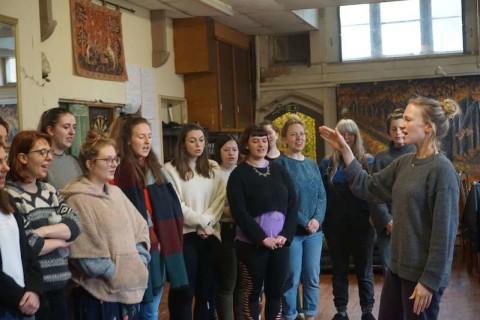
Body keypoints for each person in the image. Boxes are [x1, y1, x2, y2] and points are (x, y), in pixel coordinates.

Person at [319, 97, 460, 320]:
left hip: (421, 278)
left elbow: (445, 234)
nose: (402, 125)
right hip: (397, 270)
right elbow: (369, 187)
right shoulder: (405, 163)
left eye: (407, 119)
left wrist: (429, 281)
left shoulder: (442, 171)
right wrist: (345, 150)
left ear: (428, 127)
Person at [61, 130, 150, 320]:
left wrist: (139, 262)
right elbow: (84, 250)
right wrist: (114, 273)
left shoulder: (116, 193)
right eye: (108, 160)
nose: (114, 164)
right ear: (90, 164)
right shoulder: (78, 200)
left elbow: (140, 229)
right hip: (97, 292)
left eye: (115, 159)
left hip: (129, 284)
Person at [112, 117, 188, 320]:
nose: (147, 141)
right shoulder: (121, 171)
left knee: (152, 307)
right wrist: (151, 235)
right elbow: (131, 212)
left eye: (149, 136)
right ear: (128, 140)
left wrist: (162, 237)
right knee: (139, 309)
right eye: (141, 136)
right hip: (139, 245)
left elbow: (171, 206)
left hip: (162, 243)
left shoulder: (155, 168)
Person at [5, 131, 82, 320]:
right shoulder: (10, 196)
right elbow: (29, 245)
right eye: (42, 152)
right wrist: (60, 241)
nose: (49, 158)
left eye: (49, 152)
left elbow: (75, 226)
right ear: (23, 157)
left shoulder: (50, 191)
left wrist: (43, 231)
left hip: (61, 287)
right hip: (34, 292)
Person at [227, 124, 298, 320]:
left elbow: (293, 205)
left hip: (280, 244)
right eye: (255, 140)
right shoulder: (238, 175)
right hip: (252, 245)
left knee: (276, 292)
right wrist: (262, 238)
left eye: (264, 140)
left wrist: (286, 235)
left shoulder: (280, 171)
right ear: (246, 145)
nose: (261, 144)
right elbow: (239, 212)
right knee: (252, 291)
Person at [163, 123, 225, 320]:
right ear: (182, 144)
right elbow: (176, 204)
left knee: (206, 290)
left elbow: (219, 199)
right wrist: (201, 222)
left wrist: (206, 223)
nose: (198, 144)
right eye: (192, 140)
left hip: (211, 235)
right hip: (185, 236)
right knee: (184, 290)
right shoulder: (170, 169)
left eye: (201, 140)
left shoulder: (213, 168)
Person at [319, 119, 375, 320]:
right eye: (342, 134)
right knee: (339, 269)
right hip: (335, 226)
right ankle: (341, 311)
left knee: (364, 269)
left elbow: (374, 193)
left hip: (362, 225)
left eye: (350, 133)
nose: (347, 138)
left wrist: (374, 216)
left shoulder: (368, 162)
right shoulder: (327, 163)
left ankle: (367, 310)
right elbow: (322, 194)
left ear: (356, 136)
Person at [275, 114, 326, 320]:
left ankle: (310, 315)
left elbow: (322, 195)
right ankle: (290, 314)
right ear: (285, 139)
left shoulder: (313, 164)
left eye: (302, 134)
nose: (299, 138)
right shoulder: (280, 164)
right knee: (291, 278)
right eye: (294, 135)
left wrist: (317, 220)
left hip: (314, 232)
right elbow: (285, 200)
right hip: (292, 232)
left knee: (312, 277)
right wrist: (305, 221)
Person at [0, 141, 43, 320]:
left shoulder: (8, 201)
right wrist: (20, 296)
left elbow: (28, 252)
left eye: (5, 160)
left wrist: (33, 289)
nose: (6, 167)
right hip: (9, 303)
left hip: (25, 302)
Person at [370, 108, 415, 276]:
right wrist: (387, 221)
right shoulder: (381, 159)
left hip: (413, 226)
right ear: (388, 132)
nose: (398, 133)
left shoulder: (417, 155)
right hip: (388, 227)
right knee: (391, 274)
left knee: (412, 274)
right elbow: (375, 193)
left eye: (402, 128)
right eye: (394, 129)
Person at [213, 134, 242, 320]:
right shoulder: (214, 174)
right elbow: (213, 206)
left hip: (244, 232)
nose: (231, 153)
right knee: (227, 283)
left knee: (241, 283)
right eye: (226, 150)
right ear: (219, 153)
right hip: (224, 231)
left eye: (234, 149)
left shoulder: (243, 171)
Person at [38, 108, 83, 190]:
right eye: (66, 127)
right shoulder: (40, 163)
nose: (72, 132)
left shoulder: (74, 161)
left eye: (74, 127)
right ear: (51, 130)